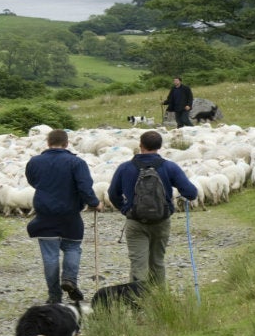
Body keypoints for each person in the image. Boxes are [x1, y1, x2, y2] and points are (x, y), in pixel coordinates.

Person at [106, 130, 199, 289]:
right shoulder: (170, 167)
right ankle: (159, 302)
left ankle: (137, 303)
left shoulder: (125, 168)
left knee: (138, 264)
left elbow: (112, 194)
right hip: (161, 221)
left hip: (135, 222)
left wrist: (125, 209)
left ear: (140, 145)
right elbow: (191, 193)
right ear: (160, 146)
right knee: (157, 261)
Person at [23, 128, 101, 304]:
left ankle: (54, 295)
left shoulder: (35, 162)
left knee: (50, 256)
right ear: (66, 144)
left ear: (48, 143)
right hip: (70, 213)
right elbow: (84, 185)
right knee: (72, 247)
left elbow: (32, 181)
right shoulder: (76, 163)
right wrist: (95, 202)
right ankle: (69, 279)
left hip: (44, 213)